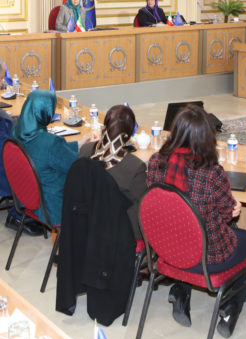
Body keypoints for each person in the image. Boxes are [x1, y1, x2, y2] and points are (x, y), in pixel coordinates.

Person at [146, 104, 246, 338]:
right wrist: (235, 209)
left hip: (167, 249)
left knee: (186, 228)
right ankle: (233, 305)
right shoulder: (212, 173)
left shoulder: (155, 163)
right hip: (208, 258)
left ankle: (181, 290)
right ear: (208, 138)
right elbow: (228, 214)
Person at [12, 90, 93, 226]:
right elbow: (76, 167)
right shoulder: (50, 142)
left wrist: (78, 144)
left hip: (27, 199)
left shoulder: (17, 132)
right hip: (54, 207)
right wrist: (91, 150)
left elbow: (51, 154)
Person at [79, 104, 147, 239]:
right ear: (130, 133)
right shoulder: (135, 166)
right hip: (118, 229)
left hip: (86, 218)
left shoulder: (85, 149)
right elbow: (143, 205)